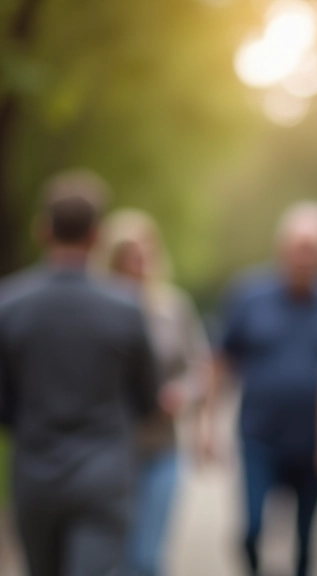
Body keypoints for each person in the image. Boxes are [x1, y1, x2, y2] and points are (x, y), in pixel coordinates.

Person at [0, 170, 160, 576]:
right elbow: (148, 398)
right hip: (104, 477)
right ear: (97, 235)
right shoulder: (126, 309)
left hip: (35, 476)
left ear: (43, 230)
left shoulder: (10, 307)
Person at [201, 201, 317, 576]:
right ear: (282, 248)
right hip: (260, 437)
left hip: (314, 442)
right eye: (298, 247)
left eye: (313, 249)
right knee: (251, 528)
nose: (304, 257)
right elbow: (220, 362)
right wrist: (208, 425)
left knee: (307, 539)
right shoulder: (249, 295)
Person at [92, 208, 212, 576]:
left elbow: (200, 369)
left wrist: (184, 394)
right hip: (111, 449)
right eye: (132, 250)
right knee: (115, 553)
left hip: (162, 448)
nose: (142, 258)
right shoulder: (96, 308)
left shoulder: (173, 307)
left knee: (147, 557)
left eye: (148, 248)